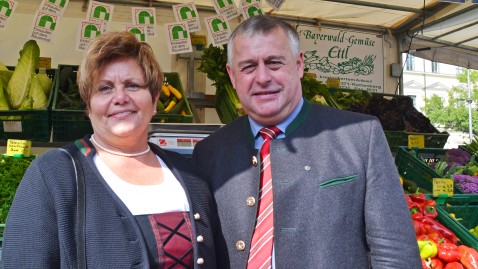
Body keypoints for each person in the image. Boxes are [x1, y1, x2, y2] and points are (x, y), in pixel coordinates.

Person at [192, 15, 422, 269]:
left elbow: (395, 251)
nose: (262, 77)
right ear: (232, 75)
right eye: (248, 67)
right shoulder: (208, 153)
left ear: (300, 64)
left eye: (274, 63)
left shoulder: (360, 135)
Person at [1, 31, 218, 269]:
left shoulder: (190, 176)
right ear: (88, 105)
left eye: (133, 85)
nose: (120, 97)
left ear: (155, 100)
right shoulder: (53, 175)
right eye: (104, 88)